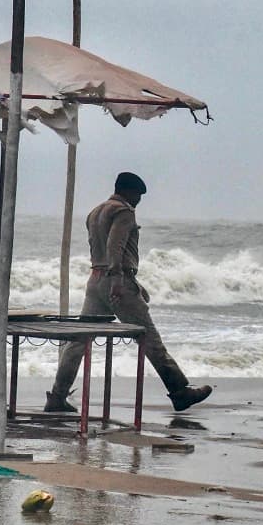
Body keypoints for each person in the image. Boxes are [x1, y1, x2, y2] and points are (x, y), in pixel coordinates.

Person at [45, 173, 212, 414]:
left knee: (78, 341)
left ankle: (57, 397)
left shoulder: (96, 211)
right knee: (149, 337)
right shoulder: (124, 211)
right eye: (139, 196)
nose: (139, 202)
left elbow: (99, 248)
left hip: (95, 281)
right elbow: (116, 245)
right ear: (129, 192)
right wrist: (119, 279)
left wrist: (126, 281)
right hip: (116, 281)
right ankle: (180, 391)